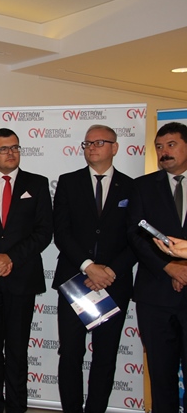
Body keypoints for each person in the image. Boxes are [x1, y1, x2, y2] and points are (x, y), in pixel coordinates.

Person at [0, 128, 52, 413]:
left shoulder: (37, 184)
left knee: (17, 350)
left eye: (15, 147)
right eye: (3, 149)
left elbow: (44, 232)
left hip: (22, 278)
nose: (11, 153)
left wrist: (10, 258)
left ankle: (17, 406)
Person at [52, 124, 136, 413]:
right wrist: (89, 267)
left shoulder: (132, 187)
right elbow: (62, 232)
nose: (92, 147)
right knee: (70, 354)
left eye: (99, 142)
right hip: (75, 282)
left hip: (114, 283)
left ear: (115, 147)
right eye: (88, 143)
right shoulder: (68, 182)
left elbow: (136, 238)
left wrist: (109, 271)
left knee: (105, 355)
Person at [127, 121, 187, 411]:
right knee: (161, 375)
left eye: (171, 145)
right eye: (159, 147)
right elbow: (135, 235)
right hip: (155, 294)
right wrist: (169, 267)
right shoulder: (142, 186)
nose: (164, 152)